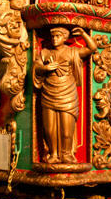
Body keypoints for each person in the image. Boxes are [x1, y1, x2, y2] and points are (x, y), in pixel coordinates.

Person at [34, 27, 97, 164]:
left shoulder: (72, 51)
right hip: (48, 90)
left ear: (64, 38)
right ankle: (53, 153)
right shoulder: (45, 53)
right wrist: (45, 68)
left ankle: (66, 153)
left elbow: (92, 48)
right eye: (53, 36)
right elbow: (36, 65)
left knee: (67, 129)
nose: (55, 39)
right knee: (49, 129)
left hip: (67, 91)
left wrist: (83, 34)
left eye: (58, 36)